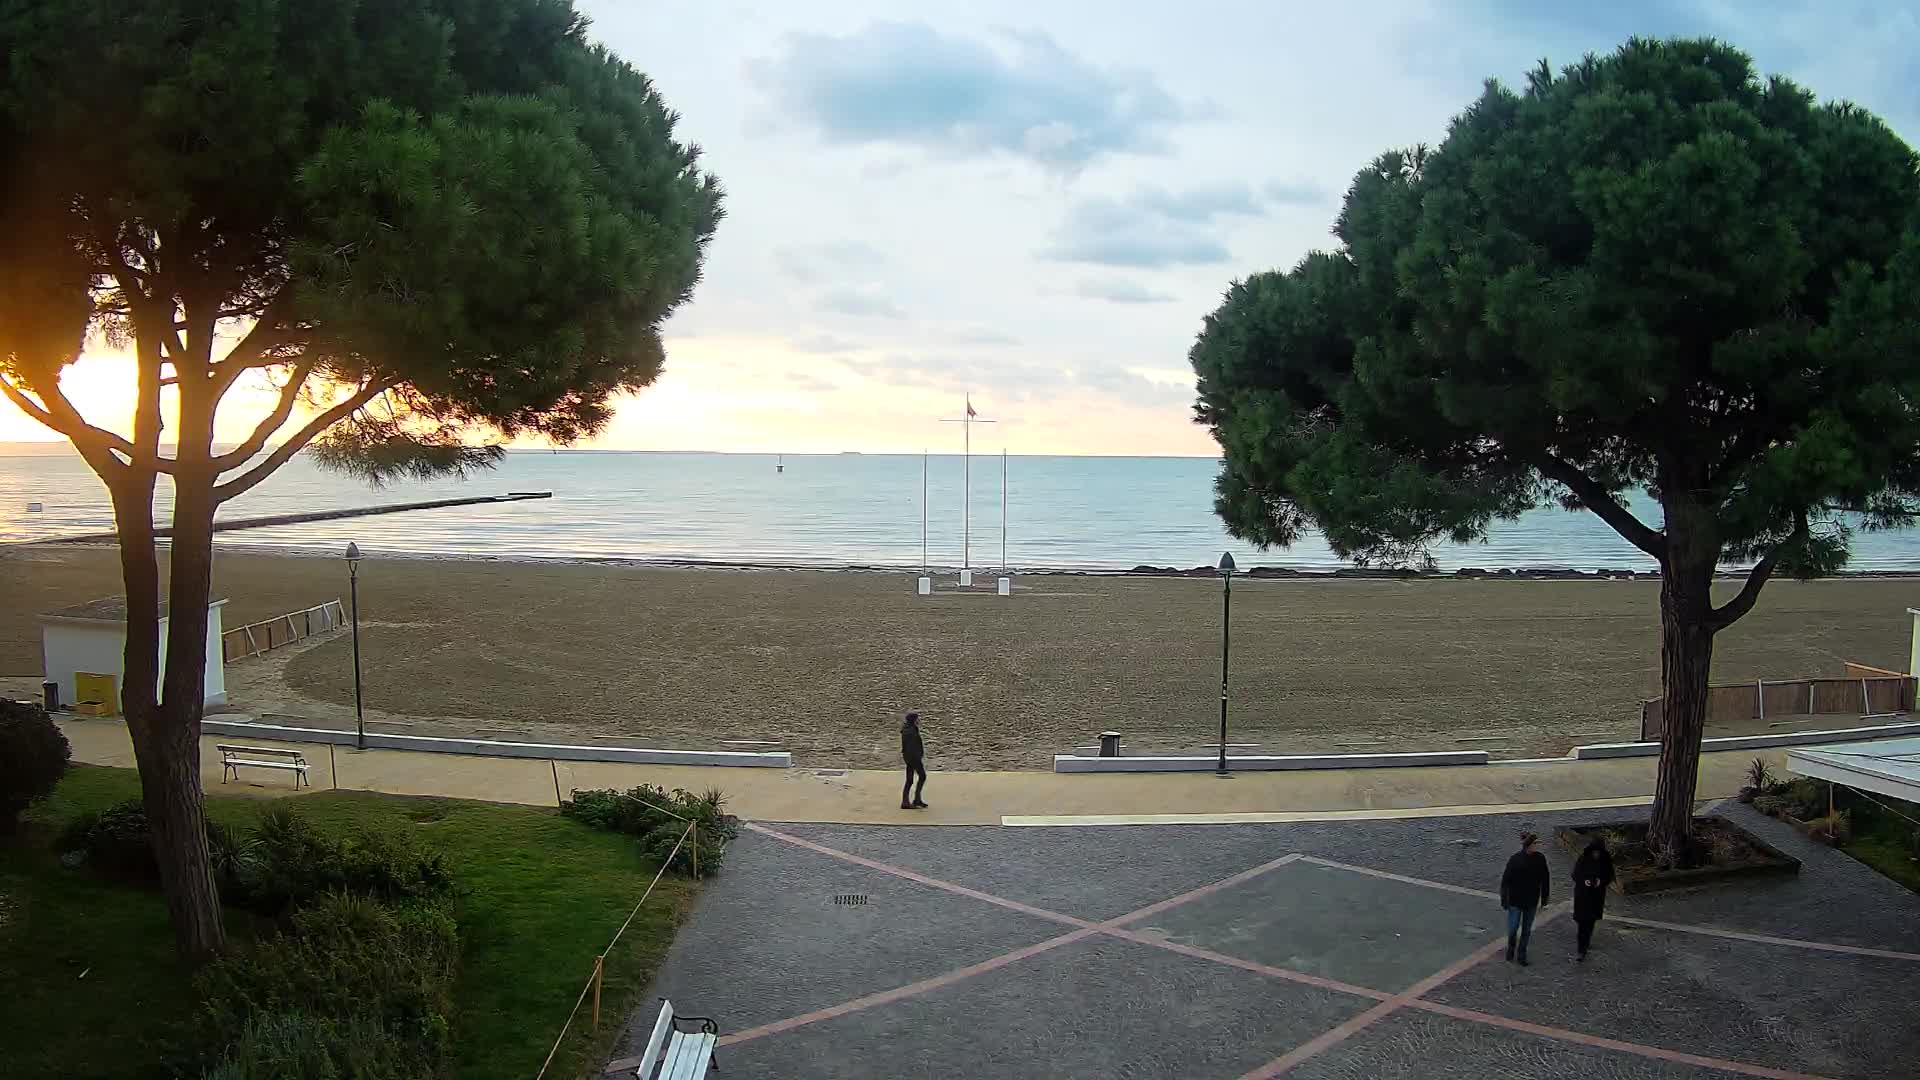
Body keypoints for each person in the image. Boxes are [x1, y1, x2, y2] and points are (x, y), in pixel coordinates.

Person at [1499, 831, 1550, 965]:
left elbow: (1545, 879)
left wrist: (1544, 898)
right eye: (1535, 843)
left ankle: (1522, 955)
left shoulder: (1540, 859)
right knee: (1513, 928)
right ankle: (1511, 948)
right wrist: (1504, 899)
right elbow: (1506, 881)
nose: (1537, 845)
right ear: (1529, 845)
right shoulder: (1515, 860)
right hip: (1515, 901)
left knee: (1526, 930)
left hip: (1531, 901)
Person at [1570, 837, 1616, 961]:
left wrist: (1600, 881)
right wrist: (1584, 881)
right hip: (1583, 896)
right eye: (1594, 852)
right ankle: (1581, 949)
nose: (1596, 854)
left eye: (1598, 852)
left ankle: (1586, 942)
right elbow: (1575, 874)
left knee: (1590, 922)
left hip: (1596, 896)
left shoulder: (1605, 861)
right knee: (1582, 922)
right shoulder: (1583, 859)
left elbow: (1610, 875)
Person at [900, 711, 928, 810]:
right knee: (921, 777)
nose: (919, 720)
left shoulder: (909, 729)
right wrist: (917, 757)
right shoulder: (910, 731)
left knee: (910, 780)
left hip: (909, 757)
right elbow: (912, 747)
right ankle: (910, 800)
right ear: (914, 720)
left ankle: (911, 800)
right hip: (913, 758)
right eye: (917, 719)